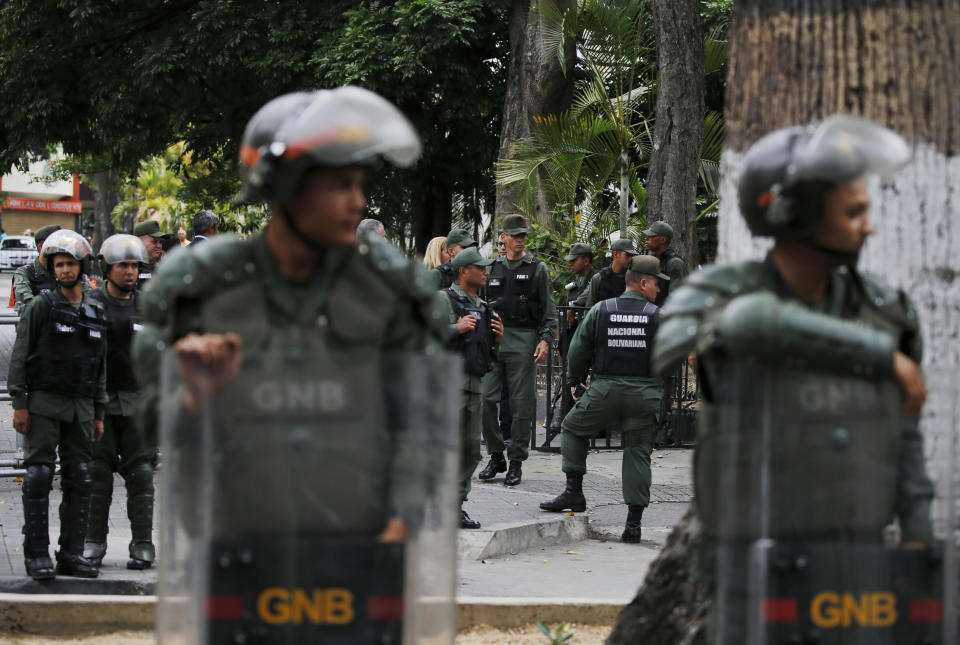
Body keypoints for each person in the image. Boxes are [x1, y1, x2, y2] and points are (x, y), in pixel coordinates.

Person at [132, 85, 447, 563]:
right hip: (236, 543)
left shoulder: (384, 289)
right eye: (340, 185)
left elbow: (417, 420)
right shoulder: (202, 286)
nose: (359, 202)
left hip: (358, 541)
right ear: (285, 188)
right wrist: (193, 393)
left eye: (360, 184)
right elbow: (151, 423)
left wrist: (403, 521)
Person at [652, 115, 934, 642]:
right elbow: (740, 325)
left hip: (854, 567)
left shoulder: (884, 311)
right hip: (750, 570)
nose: (867, 226)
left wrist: (919, 550)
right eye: (853, 212)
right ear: (794, 212)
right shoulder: (715, 294)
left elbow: (906, 440)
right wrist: (878, 357)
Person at [540, 255, 667, 543]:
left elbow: (578, 349)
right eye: (656, 284)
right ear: (643, 283)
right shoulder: (658, 315)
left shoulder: (602, 310)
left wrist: (575, 380)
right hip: (644, 393)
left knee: (571, 429)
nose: (658, 290)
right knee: (637, 452)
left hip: (605, 390)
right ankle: (633, 524)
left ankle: (574, 491)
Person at [8, 230, 107, 579]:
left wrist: (98, 412)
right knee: (38, 476)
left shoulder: (95, 308)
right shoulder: (41, 306)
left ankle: (71, 554)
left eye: (71, 264)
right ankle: (37, 555)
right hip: (44, 404)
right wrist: (20, 402)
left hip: (81, 406)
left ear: (83, 266)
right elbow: (20, 356)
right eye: (60, 264)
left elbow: (100, 364)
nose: (65, 270)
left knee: (80, 477)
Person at [82, 234, 156, 571]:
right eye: (122, 265)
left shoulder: (149, 306)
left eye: (134, 265)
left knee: (141, 474)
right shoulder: (90, 304)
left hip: (139, 404)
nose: (129, 271)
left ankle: (142, 543)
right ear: (107, 268)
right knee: (97, 474)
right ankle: (93, 541)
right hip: (101, 405)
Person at [477, 214, 557, 486]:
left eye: (524, 235)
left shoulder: (537, 268)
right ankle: (496, 454)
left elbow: (549, 310)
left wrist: (545, 339)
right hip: (493, 341)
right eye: (516, 235)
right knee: (485, 399)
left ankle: (516, 461)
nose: (521, 240)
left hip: (523, 341)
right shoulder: (491, 268)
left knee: (522, 405)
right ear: (504, 237)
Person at [443, 247, 503, 529]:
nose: (485, 272)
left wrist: (497, 338)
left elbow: (487, 350)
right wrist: (456, 328)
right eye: (480, 268)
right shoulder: (442, 299)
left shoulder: (483, 305)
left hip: (475, 384)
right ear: (464, 271)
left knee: (470, 450)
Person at [13, 224, 61, 313]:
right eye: (57, 245)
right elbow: (26, 300)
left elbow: (84, 292)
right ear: (41, 247)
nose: (61, 249)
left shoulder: (63, 271)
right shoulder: (25, 272)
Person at [641, 220, 689, 306]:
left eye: (651, 236)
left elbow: (676, 299)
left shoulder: (675, 263)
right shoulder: (651, 259)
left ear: (663, 239)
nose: (646, 238)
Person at [582, 238, 640, 307]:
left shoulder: (634, 279)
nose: (630, 259)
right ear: (615, 254)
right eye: (627, 255)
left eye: (632, 256)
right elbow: (589, 307)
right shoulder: (599, 278)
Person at [133, 220, 165, 291]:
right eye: (154, 242)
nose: (159, 246)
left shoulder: (164, 269)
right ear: (139, 242)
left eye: (160, 242)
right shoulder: (129, 271)